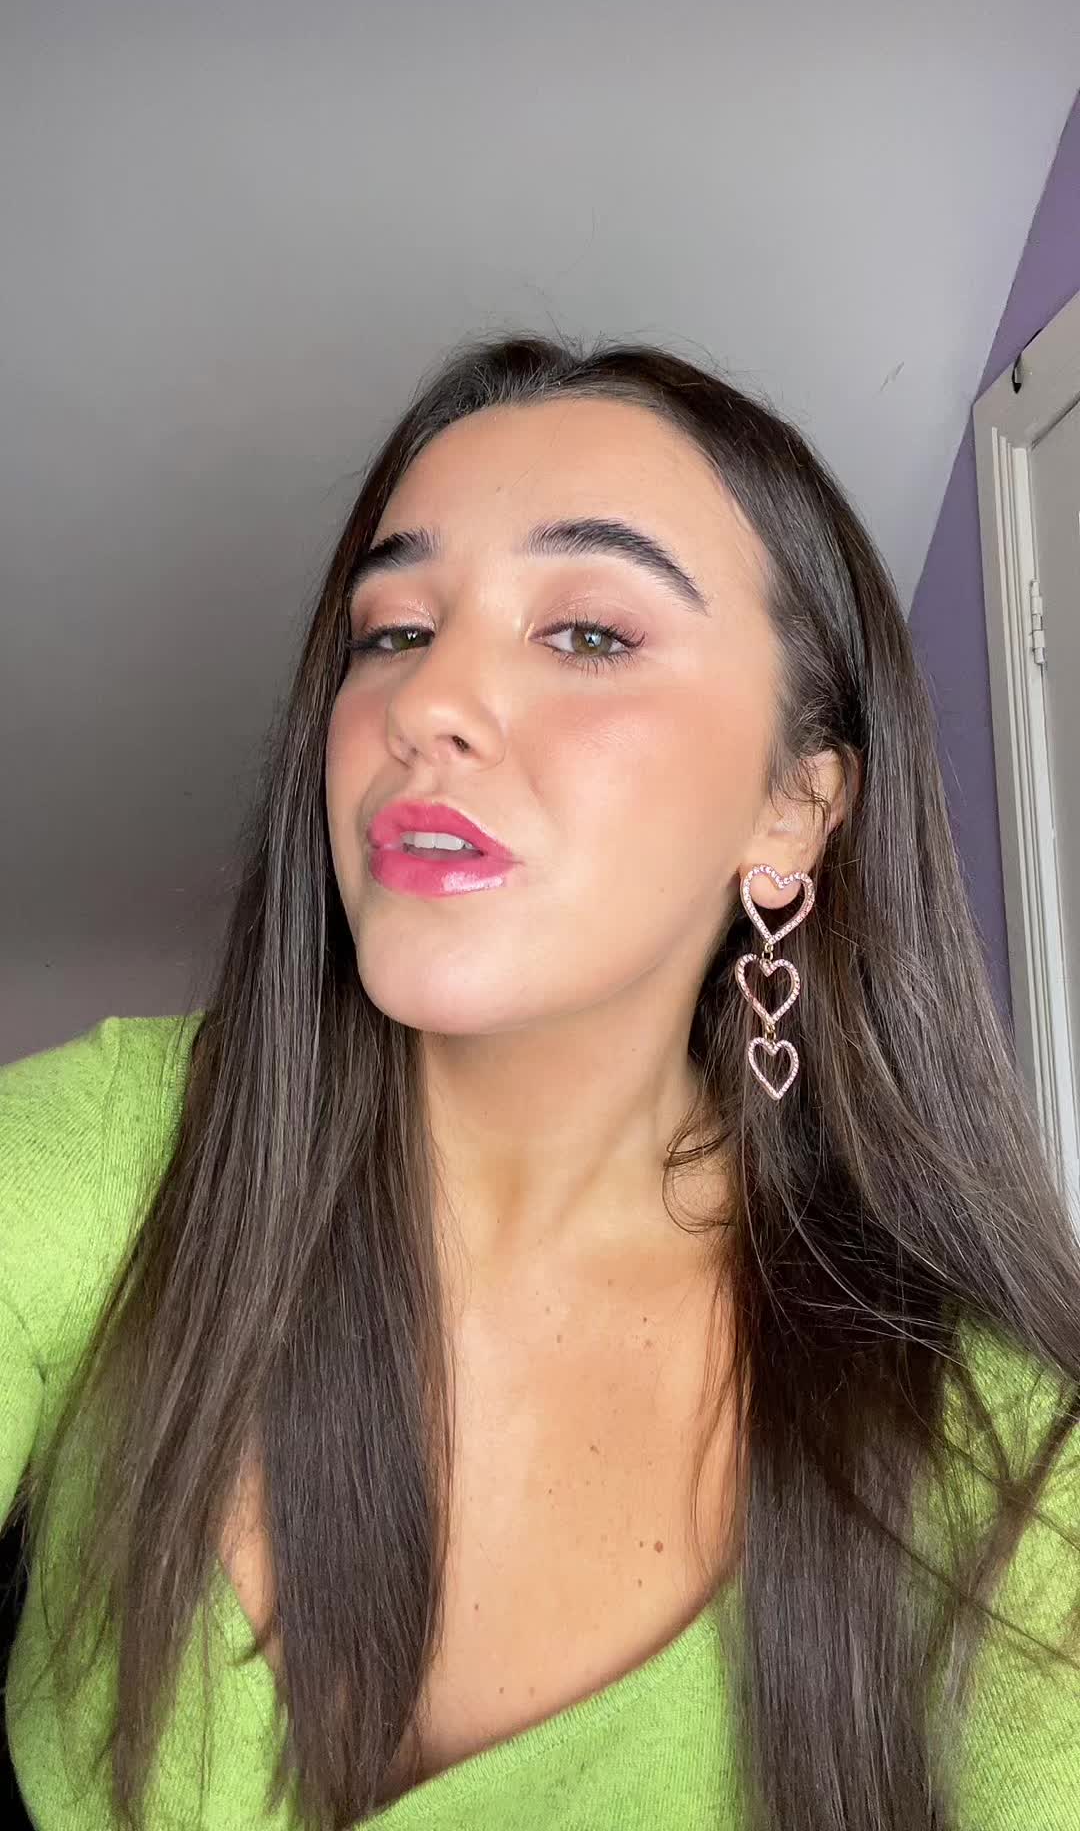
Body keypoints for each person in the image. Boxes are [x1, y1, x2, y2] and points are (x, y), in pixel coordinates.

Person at [2, 331, 1079, 1831]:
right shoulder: (117, 1154)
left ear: (793, 808)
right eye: (393, 630)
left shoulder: (1006, 1468)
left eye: (586, 633)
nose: (426, 702)